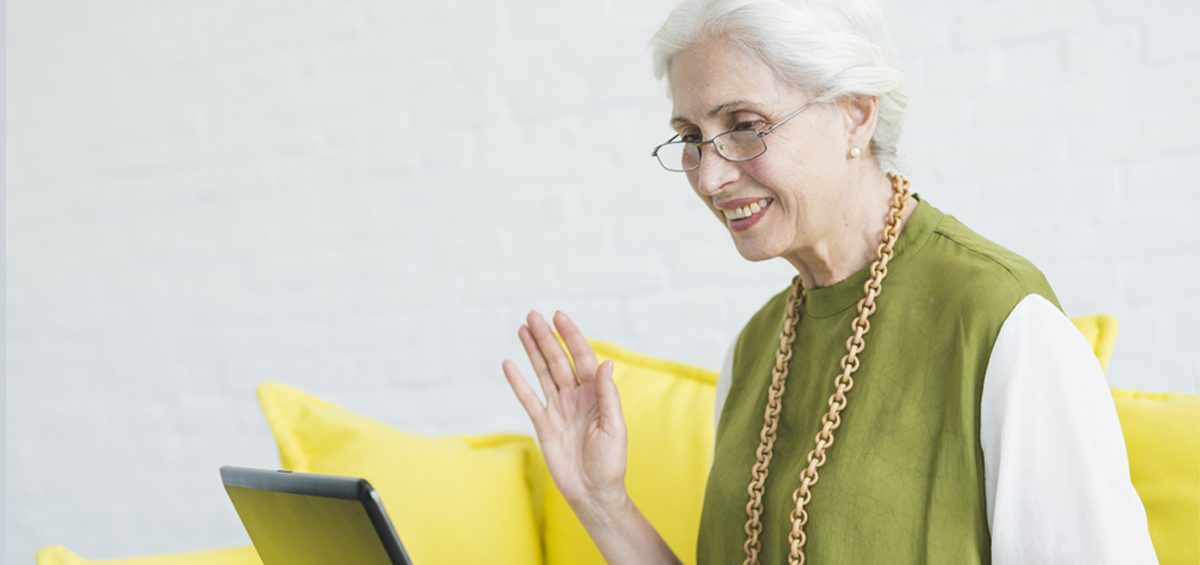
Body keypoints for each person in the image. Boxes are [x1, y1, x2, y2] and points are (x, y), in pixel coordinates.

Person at [500, 0, 1159, 563]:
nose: (708, 176)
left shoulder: (1003, 322)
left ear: (856, 113)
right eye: (692, 137)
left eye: (745, 126)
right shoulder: (755, 349)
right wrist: (600, 500)